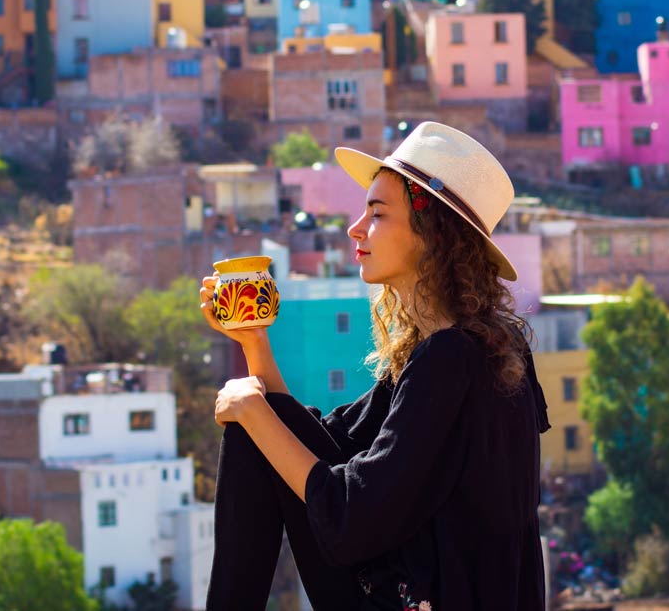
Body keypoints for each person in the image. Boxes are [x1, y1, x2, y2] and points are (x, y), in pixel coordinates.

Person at [199, 121, 550, 611]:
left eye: (377, 213)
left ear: (432, 234)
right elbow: (324, 442)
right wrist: (254, 345)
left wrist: (253, 412)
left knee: (252, 424)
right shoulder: (475, 346)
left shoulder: (451, 359)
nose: (354, 229)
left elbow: (349, 521)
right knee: (255, 426)